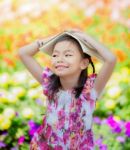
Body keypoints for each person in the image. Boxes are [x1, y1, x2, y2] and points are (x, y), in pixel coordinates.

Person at [18, 29, 117, 150]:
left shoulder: (91, 89)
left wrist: (85, 37)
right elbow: (23, 53)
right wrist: (56, 37)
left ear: (84, 63)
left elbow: (110, 59)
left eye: (68, 55)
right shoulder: (50, 83)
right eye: (55, 55)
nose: (59, 59)